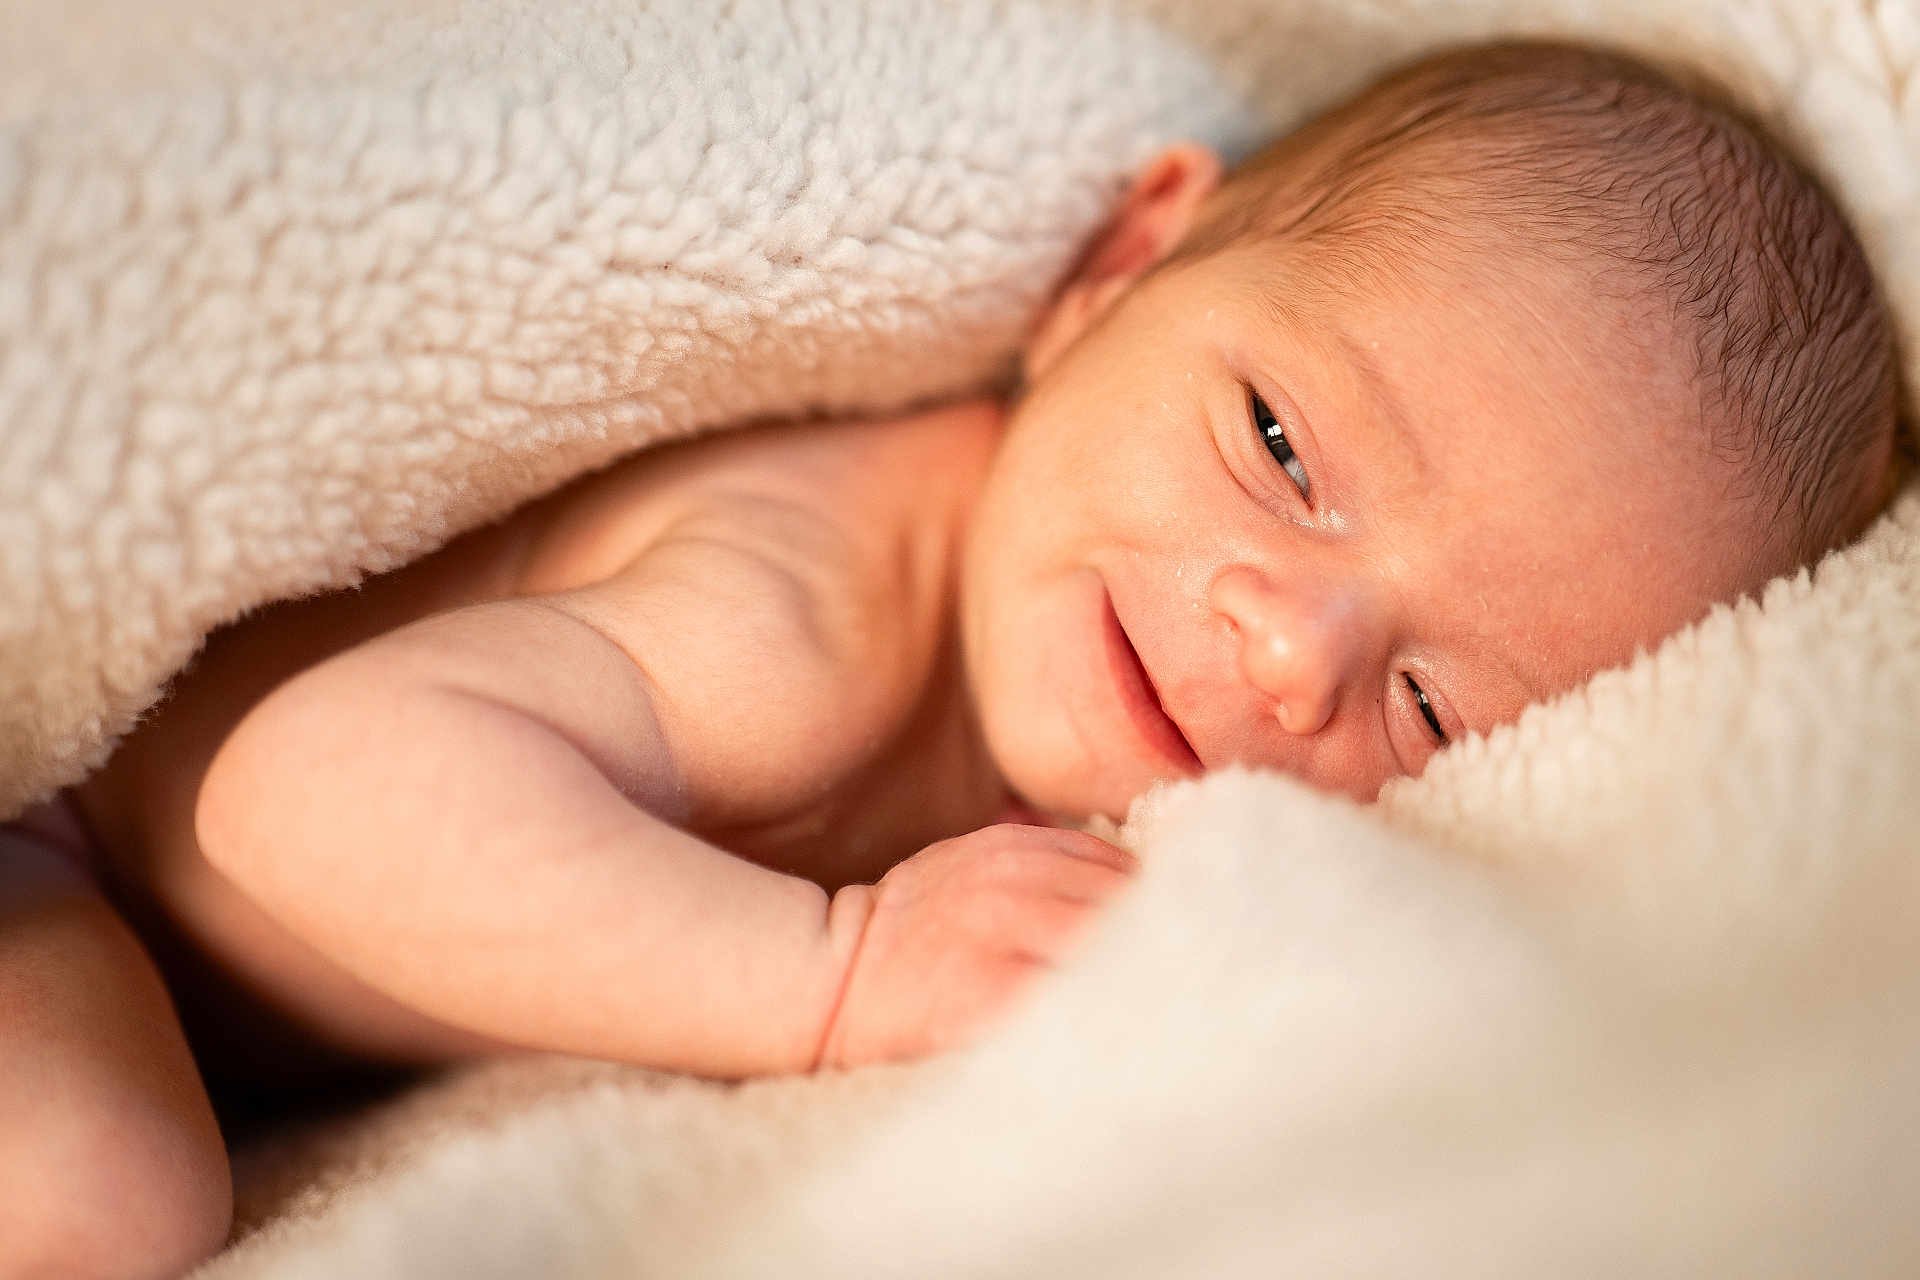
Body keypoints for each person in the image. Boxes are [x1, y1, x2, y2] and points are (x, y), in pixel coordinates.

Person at [0, 39, 1903, 1278]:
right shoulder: (807, 624)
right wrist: (828, 981)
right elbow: (305, 791)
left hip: (207, 999)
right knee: (99, 1200)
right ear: (1118, 267)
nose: (1290, 645)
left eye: (1432, 706)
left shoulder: (1088, 765)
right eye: (1281, 448)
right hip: (66, 835)